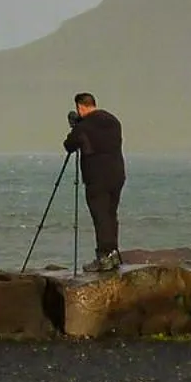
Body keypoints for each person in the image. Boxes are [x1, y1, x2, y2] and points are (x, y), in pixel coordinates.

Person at [62, 93, 124, 271]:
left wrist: (76, 127)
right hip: (117, 174)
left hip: (97, 178)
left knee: (100, 215)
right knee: (111, 214)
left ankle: (103, 257)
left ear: (80, 107)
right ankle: (113, 253)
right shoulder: (113, 121)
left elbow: (69, 145)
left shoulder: (85, 127)